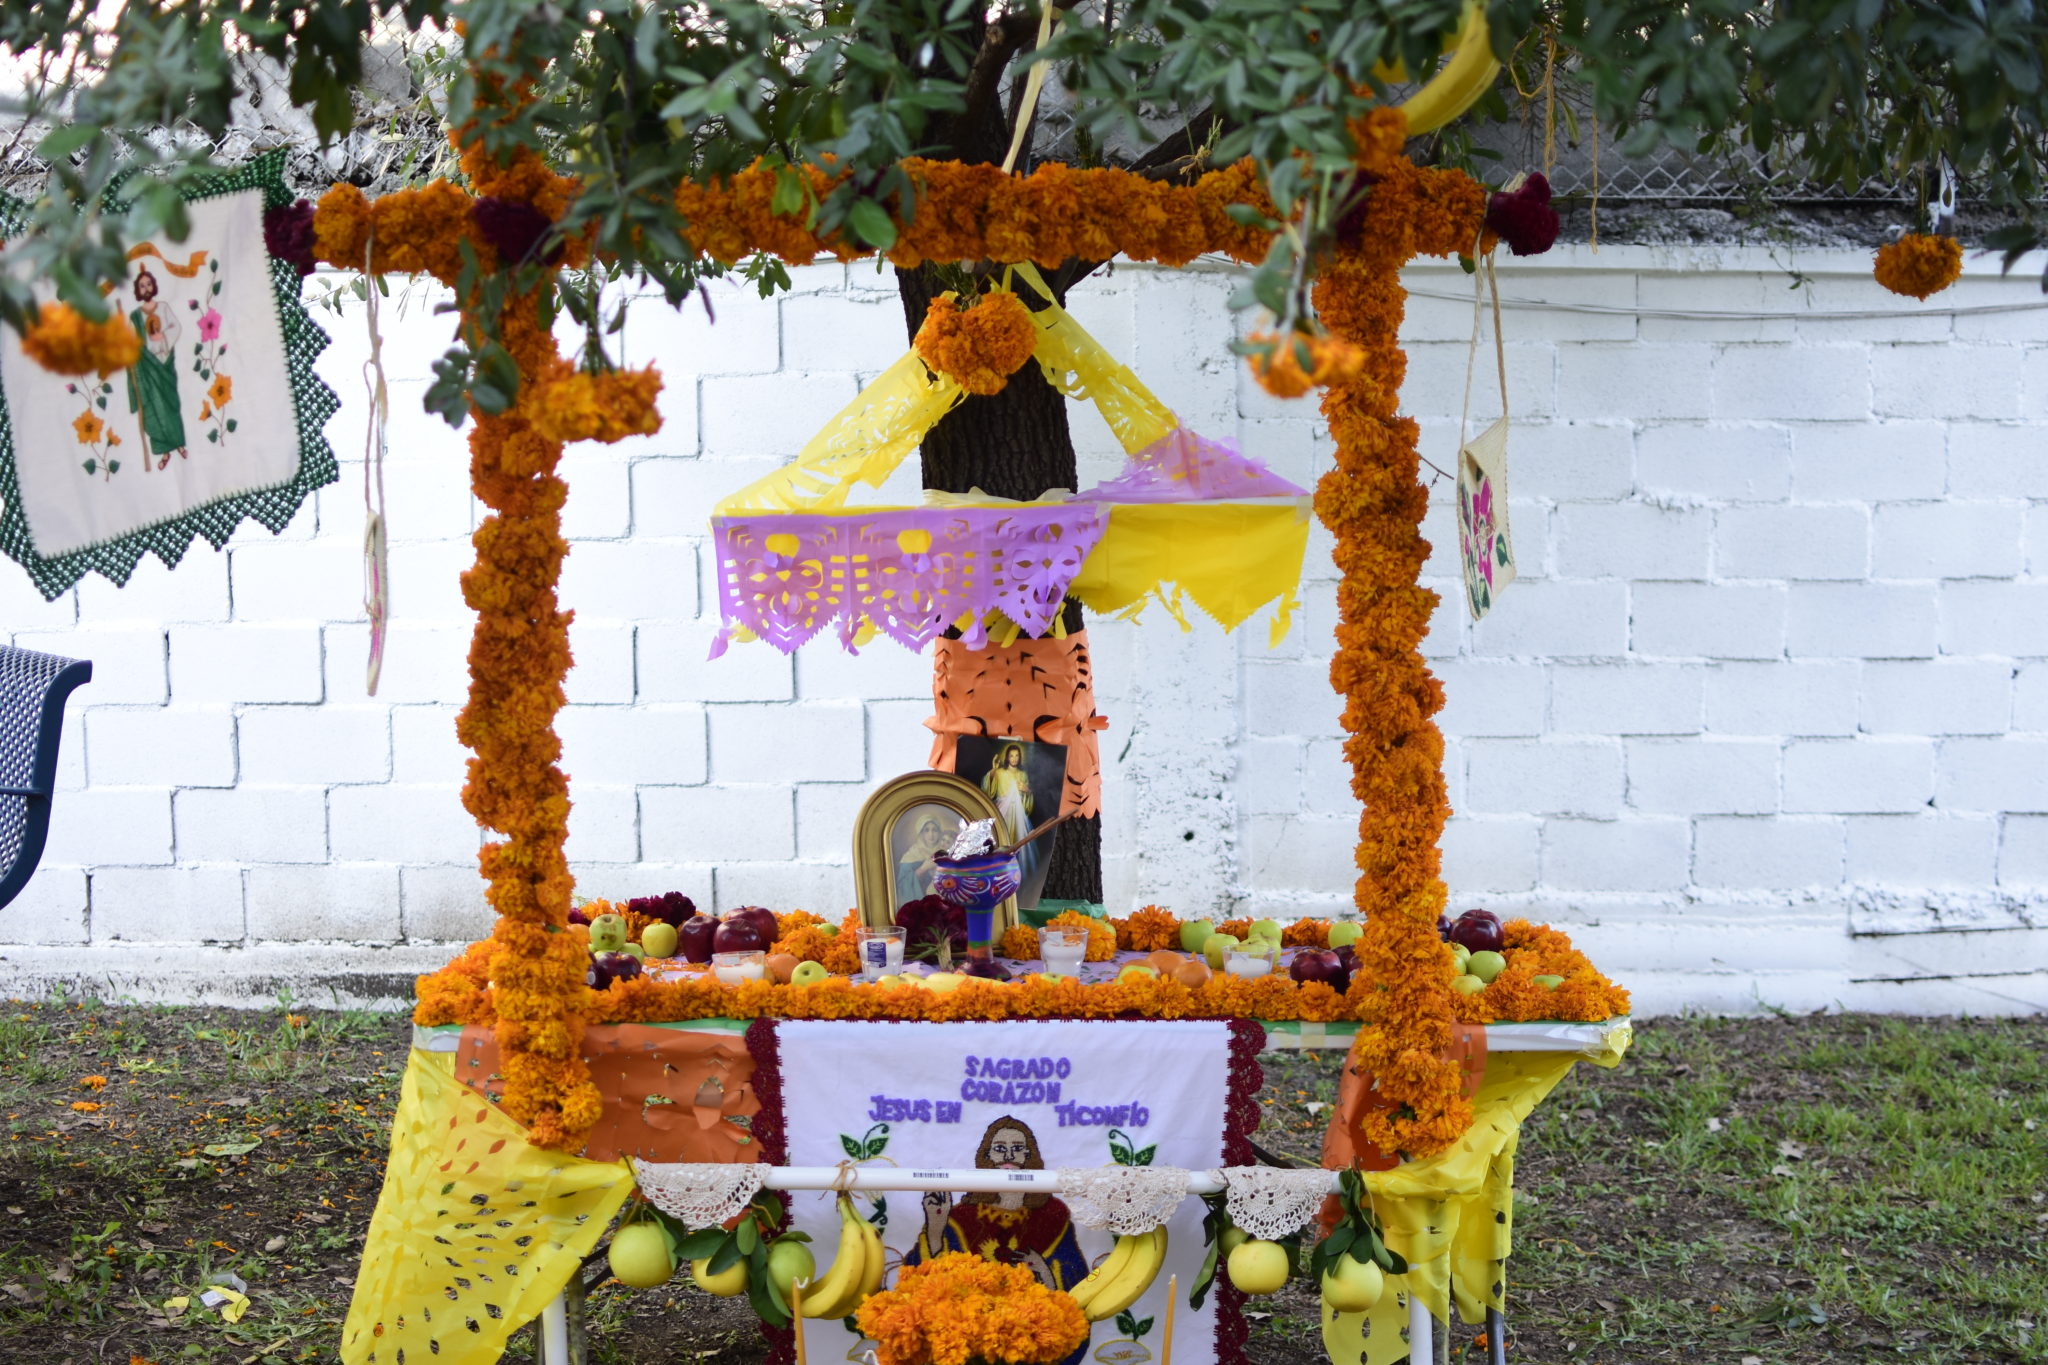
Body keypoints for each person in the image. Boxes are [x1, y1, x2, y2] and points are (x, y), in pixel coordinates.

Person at [907, 1117, 1090, 1345]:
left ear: (1028, 1156)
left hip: (1032, 1335)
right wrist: (936, 1226)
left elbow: (1078, 1287)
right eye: (1000, 1149)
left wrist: (1044, 1273)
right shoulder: (960, 1217)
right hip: (970, 1338)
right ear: (987, 1157)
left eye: (1017, 1149)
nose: (1008, 1156)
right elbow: (923, 1284)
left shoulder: (1053, 1215)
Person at [124, 266, 187, 470]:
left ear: (154, 285)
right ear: (138, 290)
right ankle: (165, 452)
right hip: (148, 369)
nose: (146, 288)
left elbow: (176, 327)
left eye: (148, 284)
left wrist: (163, 338)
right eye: (142, 286)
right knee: (154, 408)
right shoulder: (135, 316)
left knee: (170, 406)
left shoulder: (164, 308)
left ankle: (179, 445)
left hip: (165, 365)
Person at [980, 743, 1038, 886]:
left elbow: (1027, 799)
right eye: (1011, 755)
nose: (1014, 758)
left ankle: (1015, 878)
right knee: (1000, 840)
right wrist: (993, 770)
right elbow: (989, 790)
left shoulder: (1022, 775)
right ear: (1007, 757)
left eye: (1017, 755)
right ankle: (997, 875)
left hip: (1017, 814)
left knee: (1017, 843)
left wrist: (1027, 791)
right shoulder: (1000, 772)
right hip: (1002, 812)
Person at [895, 813, 950, 905]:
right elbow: (902, 887)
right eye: (926, 830)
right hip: (919, 904)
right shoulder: (911, 855)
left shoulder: (946, 852)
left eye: (934, 830)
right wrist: (923, 869)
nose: (931, 834)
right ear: (921, 833)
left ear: (939, 832)